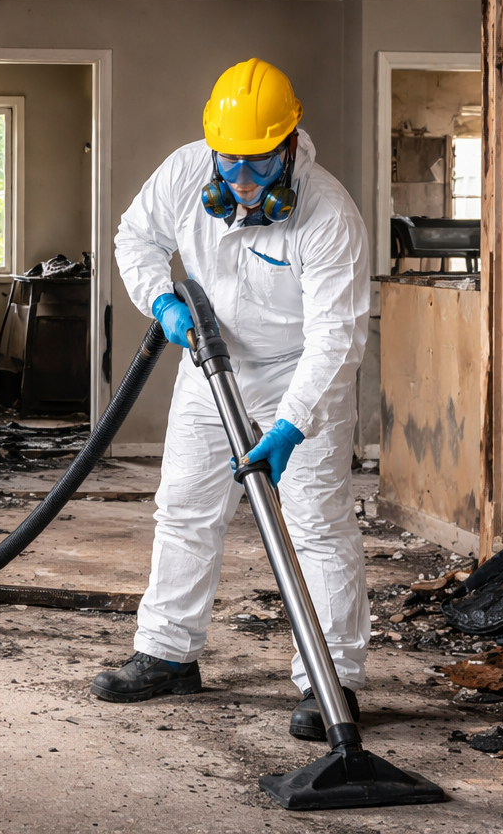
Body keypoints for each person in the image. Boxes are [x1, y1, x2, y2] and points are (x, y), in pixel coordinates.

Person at [93, 58, 371, 741]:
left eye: (258, 166)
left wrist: (289, 428)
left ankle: (331, 679)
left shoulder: (330, 214)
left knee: (316, 523)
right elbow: (136, 236)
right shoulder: (189, 171)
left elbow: (337, 338)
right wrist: (161, 300)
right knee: (185, 507)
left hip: (303, 372)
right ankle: (167, 653)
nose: (241, 182)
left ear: (288, 145)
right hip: (210, 360)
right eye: (230, 165)